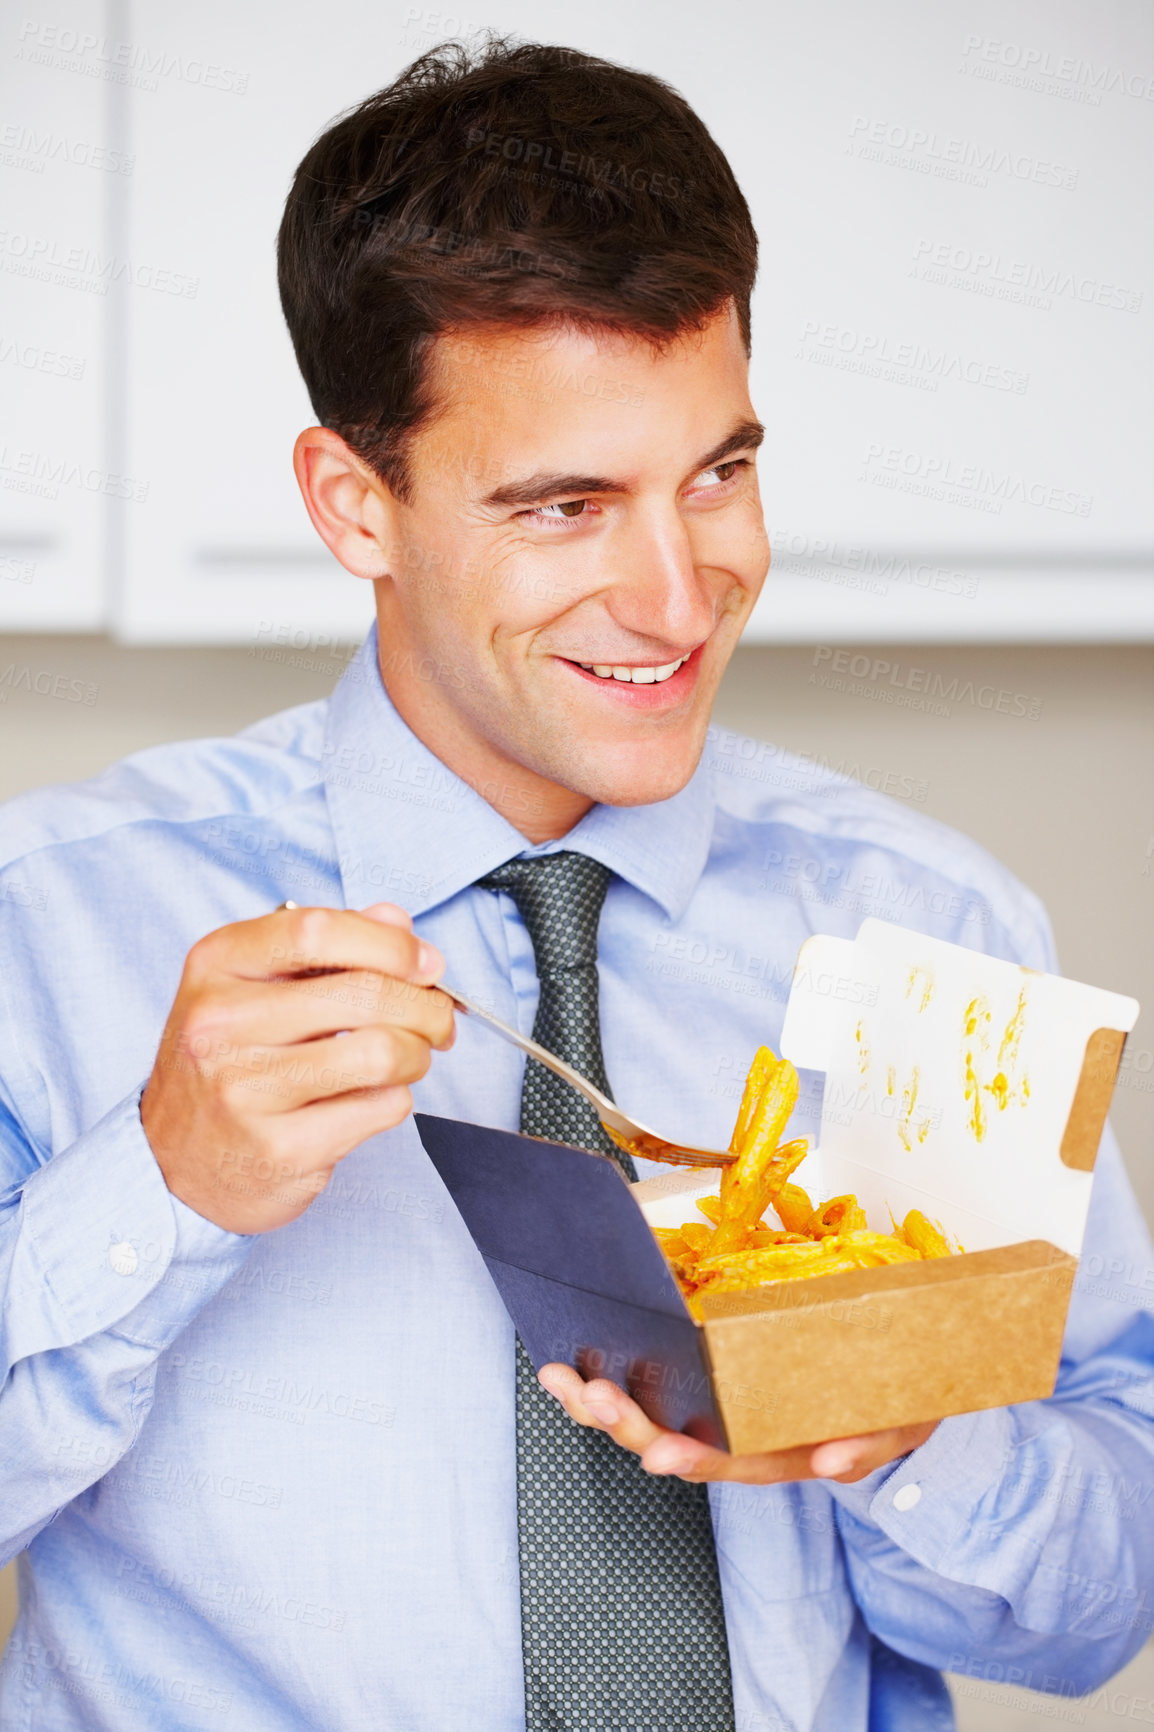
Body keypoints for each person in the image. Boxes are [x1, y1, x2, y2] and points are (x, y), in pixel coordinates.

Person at [1, 35, 1151, 1732]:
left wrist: (893, 1430)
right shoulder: (49, 922)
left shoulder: (928, 947)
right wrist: (156, 1190)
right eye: (565, 506)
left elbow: (1092, 1616)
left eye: (719, 474)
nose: (680, 597)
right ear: (354, 504)